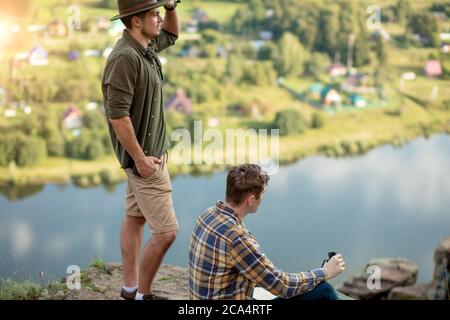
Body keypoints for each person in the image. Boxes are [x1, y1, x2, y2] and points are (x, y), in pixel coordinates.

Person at [101, 0, 180, 300]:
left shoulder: (144, 48)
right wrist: (140, 160)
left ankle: (130, 288)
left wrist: (171, 8)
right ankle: (143, 295)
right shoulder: (125, 58)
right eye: (154, 14)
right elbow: (117, 116)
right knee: (166, 232)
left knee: (134, 220)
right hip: (146, 161)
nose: (159, 19)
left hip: (147, 157)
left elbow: (171, 34)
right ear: (136, 21)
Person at [189, 164, 348, 300]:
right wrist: (325, 272)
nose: (263, 198)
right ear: (251, 199)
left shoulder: (207, 215)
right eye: (262, 194)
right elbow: (283, 286)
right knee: (324, 291)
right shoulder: (237, 238)